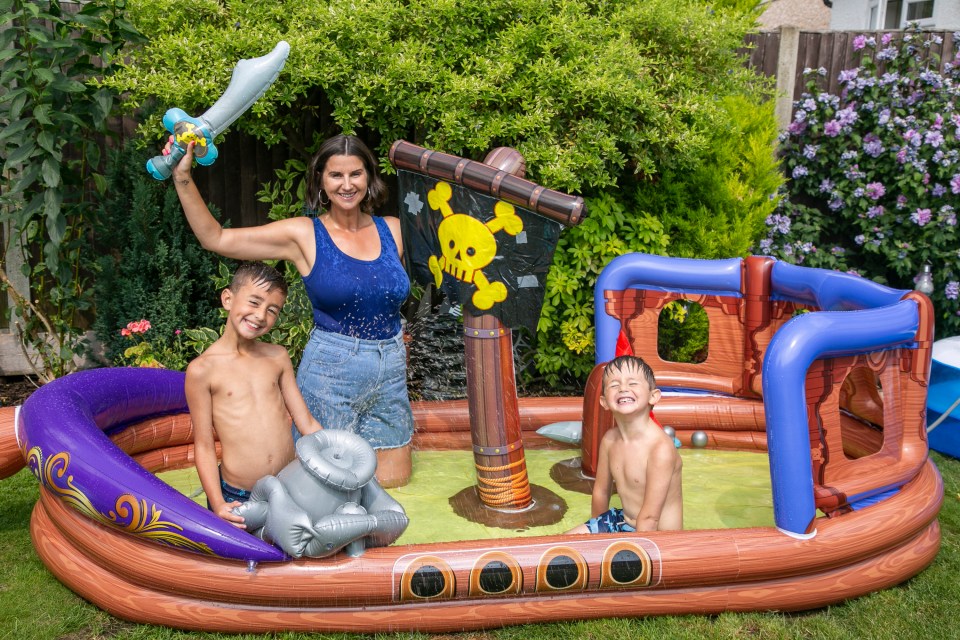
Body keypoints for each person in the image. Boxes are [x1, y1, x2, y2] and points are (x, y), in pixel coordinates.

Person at [169, 134, 414, 488]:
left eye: (356, 174)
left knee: (397, 485)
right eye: (336, 176)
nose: (347, 185)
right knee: (329, 490)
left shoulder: (393, 229)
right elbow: (217, 238)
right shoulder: (304, 234)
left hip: (390, 370)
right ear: (321, 181)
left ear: (369, 177)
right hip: (332, 372)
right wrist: (183, 178)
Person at [186, 261, 324, 527]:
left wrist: (337, 460)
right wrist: (217, 504)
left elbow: (306, 423)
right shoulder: (203, 370)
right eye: (254, 302)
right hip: (239, 495)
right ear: (228, 298)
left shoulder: (277, 357)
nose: (261, 315)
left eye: (272, 310)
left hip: (289, 485)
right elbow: (203, 445)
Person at [567, 355, 683, 533]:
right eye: (614, 385)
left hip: (658, 537)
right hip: (621, 521)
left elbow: (650, 518)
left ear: (653, 396)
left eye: (633, 383)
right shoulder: (609, 441)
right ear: (604, 402)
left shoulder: (660, 449)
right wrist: (595, 542)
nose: (623, 388)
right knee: (557, 547)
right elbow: (601, 493)